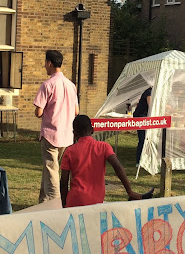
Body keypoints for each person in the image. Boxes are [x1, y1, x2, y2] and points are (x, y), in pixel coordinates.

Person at [60, 115, 142, 207]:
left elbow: (64, 181)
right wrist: (129, 191)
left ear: (74, 133)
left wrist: (64, 205)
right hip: (96, 201)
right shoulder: (103, 147)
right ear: (92, 130)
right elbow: (117, 166)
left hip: (75, 201)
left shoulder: (69, 151)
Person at [34, 50, 79, 203]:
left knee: (51, 170)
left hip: (51, 134)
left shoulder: (47, 85)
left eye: (45, 63)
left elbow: (38, 112)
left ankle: (55, 202)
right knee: (50, 169)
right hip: (67, 135)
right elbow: (76, 111)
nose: (44, 66)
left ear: (50, 63)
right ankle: (44, 200)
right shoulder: (71, 85)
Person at [133, 87, 152, 165]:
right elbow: (151, 105)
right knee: (143, 139)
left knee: (146, 139)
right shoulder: (149, 92)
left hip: (145, 117)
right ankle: (139, 161)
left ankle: (146, 159)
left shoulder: (151, 92)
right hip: (142, 118)